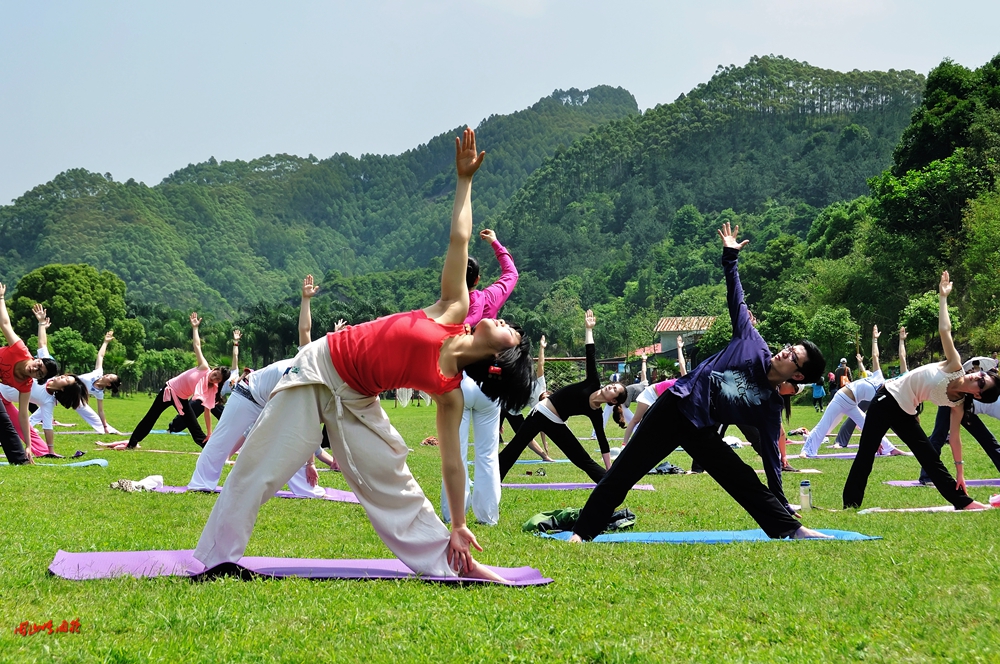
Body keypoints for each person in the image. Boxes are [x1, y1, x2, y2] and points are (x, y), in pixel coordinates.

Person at [193, 128, 533, 582]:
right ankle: (215, 559)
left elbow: (452, 463)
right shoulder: (454, 308)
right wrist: (464, 181)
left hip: (356, 397)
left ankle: (452, 560)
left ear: (498, 362)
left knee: (394, 478)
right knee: (262, 464)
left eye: (511, 333)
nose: (507, 323)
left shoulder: (450, 393)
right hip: (321, 367)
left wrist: (459, 525)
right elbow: (460, 238)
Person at [570, 223, 829, 543]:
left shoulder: (769, 403)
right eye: (790, 348)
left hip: (701, 429)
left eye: (794, 357)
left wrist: (782, 505)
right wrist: (730, 257)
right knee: (624, 473)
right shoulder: (752, 342)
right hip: (674, 406)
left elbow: (771, 459)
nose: (784, 352)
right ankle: (582, 533)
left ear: (798, 375)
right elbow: (737, 298)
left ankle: (790, 529)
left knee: (743, 478)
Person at [842, 271, 995, 510]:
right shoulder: (954, 365)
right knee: (867, 452)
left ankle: (963, 503)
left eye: (981, 383)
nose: (977, 376)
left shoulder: (958, 404)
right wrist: (943, 298)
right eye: (981, 375)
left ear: (977, 394)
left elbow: (954, 439)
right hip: (885, 399)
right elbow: (945, 330)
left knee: (930, 457)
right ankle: (850, 505)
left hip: (905, 411)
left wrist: (961, 472)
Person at [188, 276, 333, 497]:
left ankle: (307, 490)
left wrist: (312, 462)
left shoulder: (321, 382)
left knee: (288, 445)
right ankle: (201, 483)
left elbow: (309, 426)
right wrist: (305, 299)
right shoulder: (309, 356)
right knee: (222, 440)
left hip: (271, 404)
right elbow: (305, 329)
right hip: (247, 394)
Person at [440, 226, 519, 527]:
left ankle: (451, 514)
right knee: (487, 454)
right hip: (489, 382)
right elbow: (511, 274)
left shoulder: (448, 307)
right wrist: (496, 242)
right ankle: (487, 516)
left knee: (455, 453)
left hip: (457, 383)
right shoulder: (489, 297)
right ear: (477, 279)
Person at [497, 309, 626, 483]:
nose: (610, 386)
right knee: (514, 448)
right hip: (541, 413)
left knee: (580, 457)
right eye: (612, 385)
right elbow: (591, 354)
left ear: (613, 400)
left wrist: (609, 468)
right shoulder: (593, 382)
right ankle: (493, 478)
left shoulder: (596, 412)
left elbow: (602, 441)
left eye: (614, 390)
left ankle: (607, 481)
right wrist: (589, 329)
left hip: (556, 423)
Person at [104, 313, 230, 450]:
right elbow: (197, 346)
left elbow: (207, 410)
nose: (214, 378)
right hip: (168, 390)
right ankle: (132, 444)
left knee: (193, 424)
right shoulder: (204, 367)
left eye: (218, 379)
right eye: (215, 374)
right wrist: (195, 328)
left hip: (181, 399)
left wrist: (210, 432)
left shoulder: (211, 389)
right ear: (214, 369)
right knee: (150, 418)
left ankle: (208, 449)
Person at [800, 326, 903, 458]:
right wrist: (874, 339)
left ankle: (890, 448)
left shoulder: (882, 396)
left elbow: (874, 421)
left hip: (852, 404)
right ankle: (806, 451)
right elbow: (875, 356)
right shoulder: (879, 377)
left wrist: (874, 441)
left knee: (866, 423)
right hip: (841, 398)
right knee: (824, 424)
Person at [915, 352, 1000, 485]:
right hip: (954, 402)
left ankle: (927, 475)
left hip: (965, 407)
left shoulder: (984, 389)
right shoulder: (976, 385)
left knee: (987, 440)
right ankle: (927, 475)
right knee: (939, 436)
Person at [0, 285, 59, 465]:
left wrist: (29, 445)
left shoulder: (25, 385)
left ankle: (20, 459)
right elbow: (5, 324)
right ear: (37, 359)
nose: (35, 369)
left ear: (37, 379)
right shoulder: (20, 349)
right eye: (38, 364)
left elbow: (23, 415)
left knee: (3, 419)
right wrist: (1, 298)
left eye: (39, 373)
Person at [166, 329, 241, 435]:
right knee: (190, 412)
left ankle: (230, 432)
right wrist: (235, 342)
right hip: (205, 394)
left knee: (224, 415)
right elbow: (235, 355)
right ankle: (173, 427)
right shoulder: (234, 373)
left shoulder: (241, 388)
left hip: (215, 399)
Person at [621, 337, 688, 448]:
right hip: (650, 393)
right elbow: (682, 364)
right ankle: (624, 444)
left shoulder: (690, 393)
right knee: (636, 419)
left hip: (659, 399)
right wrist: (679, 348)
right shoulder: (686, 379)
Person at [498, 334, 554, 462]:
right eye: (547, 396)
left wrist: (545, 444)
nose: (545, 398)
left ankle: (544, 456)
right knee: (492, 432)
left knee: (525, 436)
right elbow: (541, 365)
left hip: (513, 410)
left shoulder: (540, 407)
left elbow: (542, 428)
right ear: (547, 393)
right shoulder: (541, 385)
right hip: (501, 401)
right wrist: (542, 347)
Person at [77, 330, 122, 434]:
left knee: (86, 409)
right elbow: (100, 356)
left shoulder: (99, 393)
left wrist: (105, 425)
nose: (107, 374)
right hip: (64, 385)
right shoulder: (98, 372)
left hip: (72, 395)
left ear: (109, 384)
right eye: (109, 373)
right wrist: (105, 342)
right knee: (46, 403)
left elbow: (100, 411)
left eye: (110, 376)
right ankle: (31, 423)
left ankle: (106, 429)